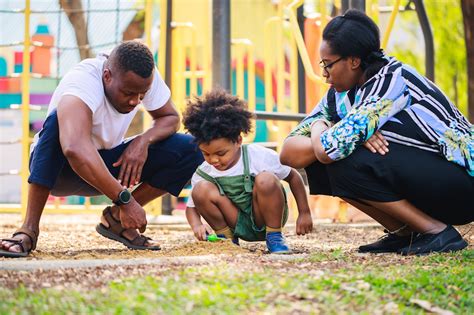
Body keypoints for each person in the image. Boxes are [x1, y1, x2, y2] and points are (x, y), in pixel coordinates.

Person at [280, 10, 473, 255]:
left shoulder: (392, 81)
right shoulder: (340, 95)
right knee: (328, 159)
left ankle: (436, 232)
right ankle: (406, 232)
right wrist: (330, 128)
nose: (324, 74)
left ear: (353, 61)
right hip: (429, 181)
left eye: (328, 64)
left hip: (461, 183)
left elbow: (327, 150)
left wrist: (333, 132)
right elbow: (288, 153)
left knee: (342, 157)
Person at [0, 41, 203, 258]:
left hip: (109, 165)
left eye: (141, 95)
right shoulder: (82, 81)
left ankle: (116, 219)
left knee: (191, 149)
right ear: (107, 76)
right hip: (61, 171)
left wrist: (142, 142)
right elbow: (74, 148)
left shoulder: (145, 75)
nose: (135, 101)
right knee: (57, 121)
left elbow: (170, 117)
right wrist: (126, 200)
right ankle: (28, 230)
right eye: (128, 93)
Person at [182, 89, 313, 254]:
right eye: (206, 154)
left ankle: (275, 237)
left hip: (264, 218)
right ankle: (227, 240)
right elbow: (191, 207)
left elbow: (293, 176)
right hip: (234, 220)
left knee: (266, 178)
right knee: (200, 189)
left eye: (221, 153)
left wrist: (304, 212)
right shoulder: (205, 171)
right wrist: (196, 225)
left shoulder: (257, 155)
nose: (213, 160)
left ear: (238, 141)